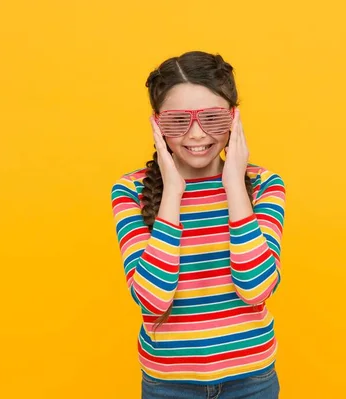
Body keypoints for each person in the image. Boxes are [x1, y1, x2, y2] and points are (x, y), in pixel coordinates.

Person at [110, 50, 286, 399]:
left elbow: (256, 288)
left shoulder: (265, 185)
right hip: (167, 385)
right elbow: (152, 299)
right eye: (178, 121)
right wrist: (173, 191)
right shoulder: (130, 190)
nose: (196, 134)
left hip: (252, 381)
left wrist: (234, 185)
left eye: (213, 119)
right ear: (157, 123)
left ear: (234, 118)